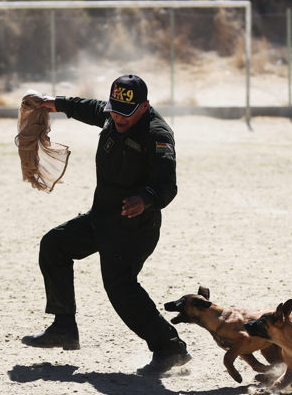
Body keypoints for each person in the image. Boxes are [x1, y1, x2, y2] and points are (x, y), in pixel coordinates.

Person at [21, 74, 191, 375]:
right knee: (54, 245)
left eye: (125, 114)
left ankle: (170, 347)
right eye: (114, 110)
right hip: (102, 217)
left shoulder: (157, 134)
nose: (117, 118)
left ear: (144, 106)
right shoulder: (113, 113)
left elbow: (168, 186)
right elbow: (89, 107)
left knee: (121, 288)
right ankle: (63, 326)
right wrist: (54, 104)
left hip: (135, 227)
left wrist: (145, 198)